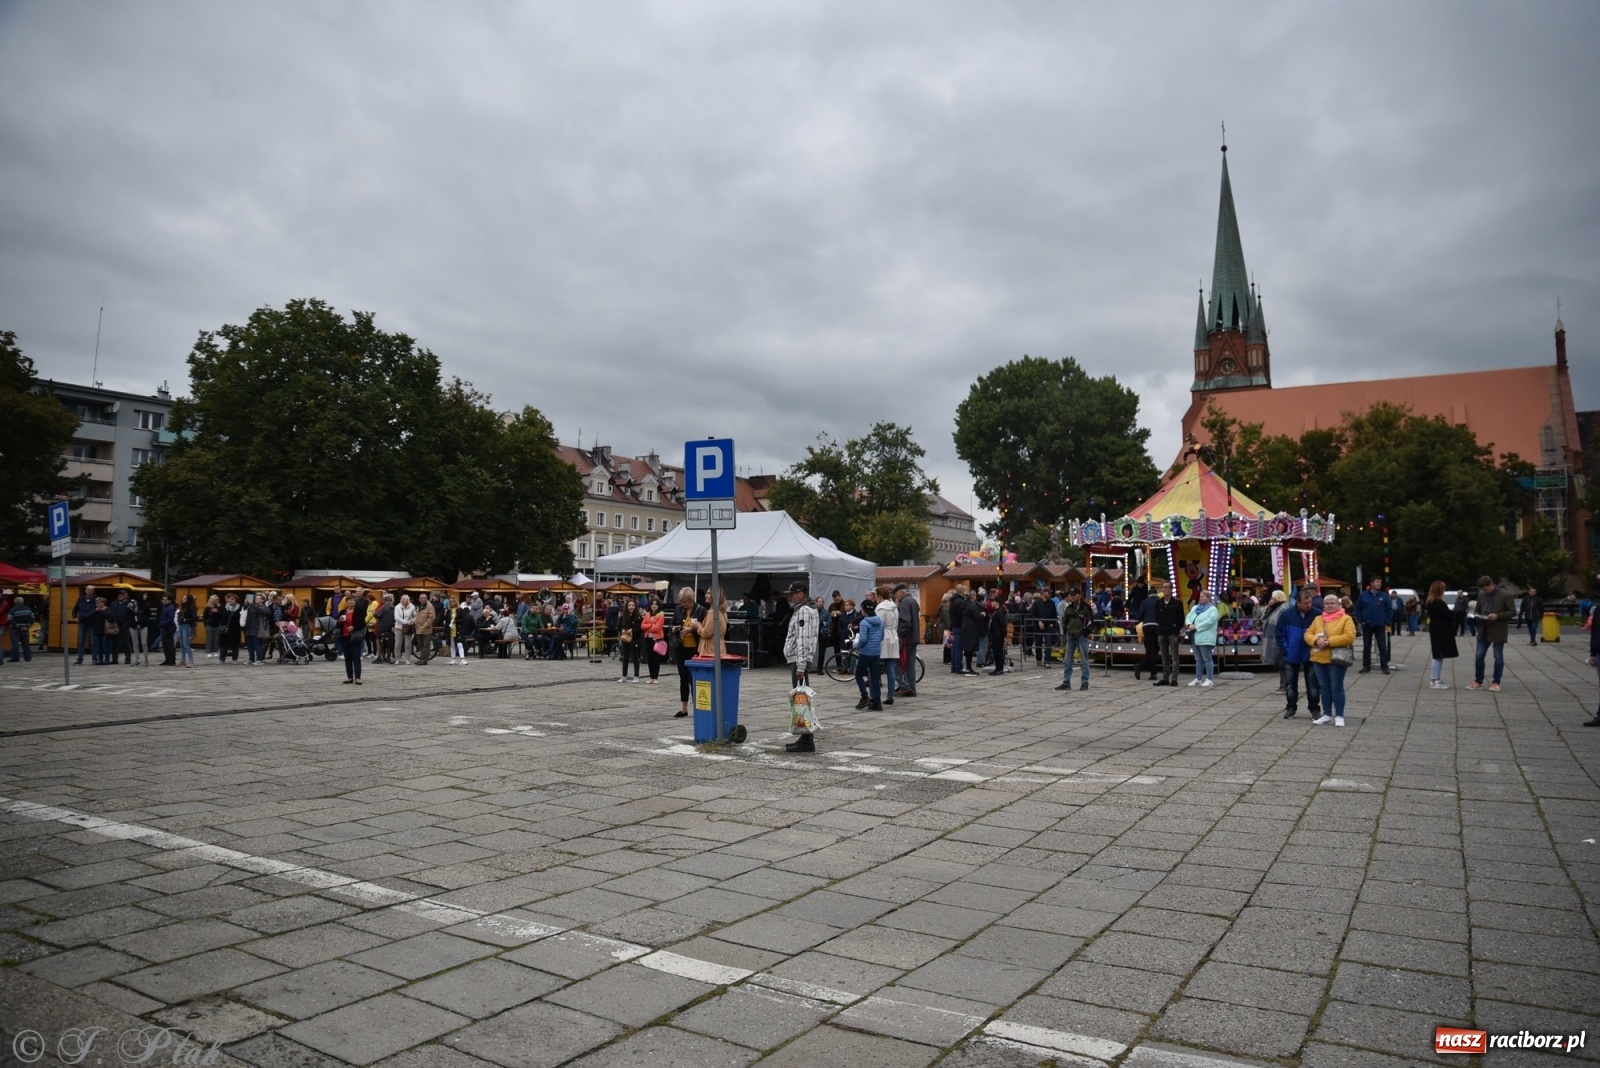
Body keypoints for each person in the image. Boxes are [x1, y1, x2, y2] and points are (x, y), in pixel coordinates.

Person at [1306, 593, 1357, 726]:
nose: (1329, 605)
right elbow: (1308, 634)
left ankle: (1339, 715)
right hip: (1318, 657)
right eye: (1327, 603)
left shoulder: (1346, 619)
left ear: (1339, 605)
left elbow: (1349, 636)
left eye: (1332, 603)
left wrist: (1329, 642)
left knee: (1337, 686)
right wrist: (1316, 641)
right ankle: (1327, 714)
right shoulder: (1318, 619)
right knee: (1324, 687)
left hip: (1336, 659)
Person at [782, 581, 820, 752]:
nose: (790, 596)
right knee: (802, 699)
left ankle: (806, 739)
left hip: (799, 659)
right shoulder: (808, 608)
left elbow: (803, 640)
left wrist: (801, 666)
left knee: (802, 700)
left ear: (801, 594)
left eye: (793, 593)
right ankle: (805, 737)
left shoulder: (803, 611)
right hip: (800, 659)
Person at [1276, 587, 1321, 718]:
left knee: (1313, 684)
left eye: (1310, 602)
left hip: (1311, 653)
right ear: (1298, 603)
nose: (1309, 605)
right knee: (1290, 684)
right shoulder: (1287, 614)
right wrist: (1286, 649)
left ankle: (1314, 708)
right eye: (1306, 603)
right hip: (1292, 653)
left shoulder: (1317, 614)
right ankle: (1291, 707)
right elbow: (1279, 633)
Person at [1468, 575, 1516, 691]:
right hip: (1484, 629)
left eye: (1485, 589)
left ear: (1491, 584)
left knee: (1498, 655)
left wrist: (1498, 616)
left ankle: (1496, 682)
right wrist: (1477, 616)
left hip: (1498, 629)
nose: (1484, 591)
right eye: (1482, 590)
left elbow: (1512, 612)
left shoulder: (1506, 595)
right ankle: (1478, 680)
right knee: (1479, 655)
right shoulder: (1482, 595)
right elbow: (1477, 609)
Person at [672, 587, 702, 717]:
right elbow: (671, 625)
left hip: (695, 648)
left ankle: (698, 707)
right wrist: (675, 629)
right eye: (682, 602)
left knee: (694, 678)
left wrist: (691, 630)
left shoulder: (701, 610)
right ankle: (683, 708)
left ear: (692, 599)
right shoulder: (678, 610)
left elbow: (704, 629)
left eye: (687, 602)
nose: (684, 604)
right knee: (683, 678)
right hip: (681, 647)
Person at [1057, 587, 1093, 691]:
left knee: (1084, 661)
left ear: (1079, 595)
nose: (1072, 596)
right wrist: (1065, 631)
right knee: (1068, 660)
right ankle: (1066, 682)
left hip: (1081, 636)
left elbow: (1090, 621)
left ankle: (1085, 683)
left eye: (1074, 594)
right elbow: (1065, 621)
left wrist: (1086, 632)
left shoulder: (1086, 607)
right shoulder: (1069, 608)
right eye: (1071, 594)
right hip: (1070, 636)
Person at [853, 594, 885, 711]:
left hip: (866, 652)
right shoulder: (880, 621)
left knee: (858, 674)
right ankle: (877, 702)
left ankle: (864, 697)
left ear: (864, 610)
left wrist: (856, 646)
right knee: (874, 677)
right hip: (876, 652)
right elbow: (881, 637)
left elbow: (863, 639)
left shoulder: (864, 622)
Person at [1355, 578, 1391, 674]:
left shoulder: (1383, 596)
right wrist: (1361, 620)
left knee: (1382, 646)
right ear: (1371, 583)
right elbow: (1358, 608)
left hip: (1380, 625)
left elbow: (1389, 609)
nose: (1379, 584)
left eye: (1380, 582)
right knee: (1367, 646)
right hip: (1367, 624)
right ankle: (1366, 666)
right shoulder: (1363, 595)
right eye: (1377, 582)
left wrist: (1386, 620)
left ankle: (1385, 666)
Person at [1424, 581, 1456, 688]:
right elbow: (1448, 614)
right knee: (1438, 655)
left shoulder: (1431, 601)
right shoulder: (1437, 602)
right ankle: (1434, 680)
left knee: (1439, 655)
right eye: (1443, 588)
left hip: (1437, 629)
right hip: (1440, 630)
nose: (1444, 590)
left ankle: (1436, 678)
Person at [1185, 588, 1220, 687]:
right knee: (1198, 659)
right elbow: (1188, 617)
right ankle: (1198, 678)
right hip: (1194, 636)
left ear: (1208, 598)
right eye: (1200, 597)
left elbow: (1210, 621)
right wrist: (1189, 625)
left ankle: (1209, 678)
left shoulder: (1213, 609)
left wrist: (1197, 627)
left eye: (1203, 597)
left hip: (1206, 637)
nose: (1201, 598)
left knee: (1207, 658)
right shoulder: (1195, 608)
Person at [892, 584, 920, 697]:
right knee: (909, 664)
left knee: (896, 662)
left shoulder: (904, 602)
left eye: (896, 594)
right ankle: (911, 688)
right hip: (914, 636)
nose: (895, 596)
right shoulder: (913, 601)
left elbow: (906, 621)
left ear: (901, 592)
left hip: (906, 638)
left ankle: (905, 686)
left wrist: (899, 634)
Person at [1154, 584, 1184, 686]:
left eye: (1167, 587)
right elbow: (1157, 617)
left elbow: (1181, 618)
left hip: (1172, 632)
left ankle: (1174, 678)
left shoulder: (1177, 603)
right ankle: (1165, 677)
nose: (1164, 589)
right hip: (1162, 632)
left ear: (1171, 589)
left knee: (1174, 656)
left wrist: (1176, 629)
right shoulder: (1159, 603)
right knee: (1164, 656)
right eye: (1163, 587)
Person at [875, 585, 902, 698]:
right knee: (890, 668)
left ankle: (875, 695)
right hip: (893, 636)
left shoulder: (881, 608)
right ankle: (890, 695)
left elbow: (879, 625)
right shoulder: (894, 607)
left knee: (875, 667)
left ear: (879, 596)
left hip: (884, 637)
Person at [1133, 586, 1162, 682]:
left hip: (1147, 626)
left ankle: (1143, 667)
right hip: (1158, 626)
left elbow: (1139, 616)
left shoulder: (1144, 602)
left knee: (1150, 649)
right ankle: (1149, 671)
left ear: (1148, 594)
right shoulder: (1160, 601)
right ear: (1156, 593)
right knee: (1156, 648)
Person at [341, 589, 369, 684]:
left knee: (356, 657)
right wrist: (339, 621)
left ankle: (358, 677)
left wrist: (354, 627)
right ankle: (349, 677)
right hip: (345, 636)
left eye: (353, 600)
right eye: (350, 600)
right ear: (347, 602)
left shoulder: (359, 611)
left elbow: (362, 624)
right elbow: (337, 626)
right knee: (347, 658)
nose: (352, 602)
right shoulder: (342, 612)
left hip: (355, 636)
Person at [958, 587, 984, 676]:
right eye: (975, 596)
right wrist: (982, 615)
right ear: (973, 596)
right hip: (971, 629)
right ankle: (969, 668)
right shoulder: (972, 605)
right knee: (970, 648)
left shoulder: (964, 604)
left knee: (968, 648)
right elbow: (976, 617)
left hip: (965, 627)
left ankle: (968, 667)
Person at [1028, 591, 1057, 667]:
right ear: (1044, 593)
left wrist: (1052, 623)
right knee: (1038, 643)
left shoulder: (1052, 603)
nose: (1050, 594)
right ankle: (1039, 659)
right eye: (1048, 592)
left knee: (1048, 644)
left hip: (1048, 626)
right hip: (1038, 626)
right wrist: (1038, 621)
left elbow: (1054, 615)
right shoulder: (1037, 603)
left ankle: (1047, 661)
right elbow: (1032, 614)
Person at [616, 599, 642, 681]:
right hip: (625, 639)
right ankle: (624, 676)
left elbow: (640, 628)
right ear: (627, 607)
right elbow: (618, 626)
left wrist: (632, 630)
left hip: (635, 639)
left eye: (633, 605)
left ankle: (636, 676)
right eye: (629, 605)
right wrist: (622, 630)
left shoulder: (638, 616)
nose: (631, 607)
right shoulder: (623, 616)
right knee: (625, 658)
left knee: (635, 658)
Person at [641, 599, 666, 682]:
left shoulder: (661, 615)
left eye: (656, 604)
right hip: (648, 638)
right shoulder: (647, 615)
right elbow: (642, 626)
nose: (654, 606)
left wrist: (648, 628)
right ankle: (651, 677)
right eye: (652, 604)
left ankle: (656, 677)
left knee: (656, 658)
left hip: (657, 639)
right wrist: (651, 625)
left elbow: (658, 628)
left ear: (658, 606)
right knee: (650, 658)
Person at [73, 583, 97, 664]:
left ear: (93, 591)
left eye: (91, 590)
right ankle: (79, 659)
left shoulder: (96, 599)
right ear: (85, 590)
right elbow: (75, 609)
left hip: (92, 622)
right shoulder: (81, 599)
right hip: (82, 622)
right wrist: (75, 617)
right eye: (88, 589)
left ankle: (94, 659)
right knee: (81, 642)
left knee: (93, 642)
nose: (90, 591)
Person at [6, 595, 34, 663]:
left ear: (15, 602)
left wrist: (18, 625)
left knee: (15, 643)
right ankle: (28, 657)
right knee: (26, 643)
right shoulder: (28, 609)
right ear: (23, 602)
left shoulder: (12, 610)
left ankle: (15, 658)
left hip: (15, 629)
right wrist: (27, 626)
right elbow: (33, 618)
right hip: (25, 629)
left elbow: (10, 619)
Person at [985, 596, 1008, 676]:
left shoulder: (999, 612)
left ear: (997, 602)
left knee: (998, 652)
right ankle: (997, 668)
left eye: (993, 601)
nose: (991, 603)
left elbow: (1003, 624)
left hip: (998, 634)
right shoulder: (996, 611)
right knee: (996, 651)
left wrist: (1005, 635)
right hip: (995, 634)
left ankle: (999, 669)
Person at [412, 595, 435, 665]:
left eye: (425, 598)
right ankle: (421, 658)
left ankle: (424, 660)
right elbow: (417, 616)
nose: (423, 599)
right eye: (422, 598)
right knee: (421, 645)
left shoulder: (430, 607)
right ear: (419, 599)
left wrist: (425, 626)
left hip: (426, 630)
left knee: (426, 645)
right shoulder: (419, 606)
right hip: (418, 629)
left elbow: (431, 618)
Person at [395, 594, 417, 661]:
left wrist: (412, 621)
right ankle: (397, 659)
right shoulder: (397, 607)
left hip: (408, 628)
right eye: (401, 598)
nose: (402, 600)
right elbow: (396, 617)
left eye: (404, 599)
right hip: (399, 627)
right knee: (398, 645)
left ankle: (407, 659)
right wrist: (405, 622)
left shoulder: (412, 607)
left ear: (407, 600)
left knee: (408, 645)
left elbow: (415, 615)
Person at [157, 594, 177, 666]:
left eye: (165, 600)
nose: (163, 601)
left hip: (169, 627)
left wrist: (162, 623)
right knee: (165, 644)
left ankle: (171, 660)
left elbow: (170, 618)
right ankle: (167, 659)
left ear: (170, 600)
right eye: (163, 600)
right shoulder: (165, 607)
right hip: (165, 627)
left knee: (169, 644)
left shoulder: (170, 608)